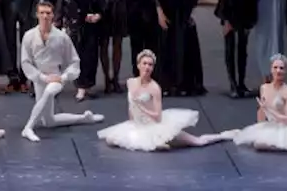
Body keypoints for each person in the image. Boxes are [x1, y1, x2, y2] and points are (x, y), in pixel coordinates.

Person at [97, 49, 237, 151]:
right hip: (138, 125)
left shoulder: (154, 88)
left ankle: (223, 136)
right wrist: (132, 120)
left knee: (197, 142)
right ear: (138, 64)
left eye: (150, 65)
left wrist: (142, 108)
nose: (147, 67)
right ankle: (161, 144)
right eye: (144, 63)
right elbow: (130, 107)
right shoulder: (131, 82)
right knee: (111, 139)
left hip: (155, 125)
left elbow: (158, 117)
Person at [19, 1, 104, 142]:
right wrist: (41, 77)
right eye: (42, 13)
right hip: (40, 78)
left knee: (49, 92)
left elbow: (74, 61)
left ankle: (28, 127)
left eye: (48, 13)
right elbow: (25, 62)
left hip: (56, 77)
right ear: (37, 15)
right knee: (48, 121)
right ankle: (84, 118)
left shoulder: (61, 37)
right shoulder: (29, 36)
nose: (45, 16)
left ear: (52, 15)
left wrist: (63, 77)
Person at [215, 0, 259, 98]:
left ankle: (242, 83)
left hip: (245, 20)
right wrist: (226, 21)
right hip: (230, 19)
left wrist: (250, 23)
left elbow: (254, 2)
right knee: (229, 52)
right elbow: (222, 1)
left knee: (242, 52)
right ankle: (233, 84)